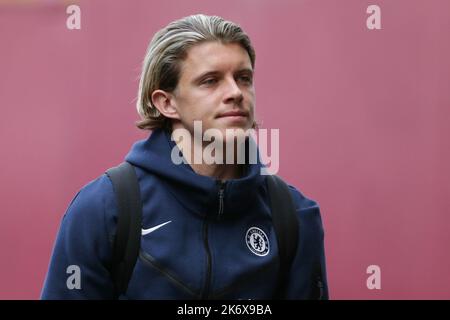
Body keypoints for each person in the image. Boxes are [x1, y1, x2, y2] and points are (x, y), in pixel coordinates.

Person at [41, 14, 329, 300]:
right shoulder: (104, 209)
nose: (235, 92)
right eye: (210, 81)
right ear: (167, 103)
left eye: (243, 78)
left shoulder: (294, 216)